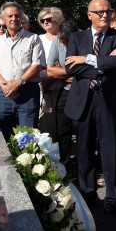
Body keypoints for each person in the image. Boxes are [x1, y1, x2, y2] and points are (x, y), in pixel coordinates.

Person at [64, 0, 116, 220]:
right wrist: (103, 63)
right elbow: (70, 69)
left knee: (111, 151)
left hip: (109, 102)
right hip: (83, 101)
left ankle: (112, 199)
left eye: (108, 11)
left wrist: (87, 59)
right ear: (89, 15)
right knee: (83, 150)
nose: (105, 15)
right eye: (100, 12)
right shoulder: (77, 37)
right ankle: (87, 194)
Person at [0, 2, 45, 139]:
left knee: (28, 135)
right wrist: (6, 87)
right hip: (3, 93)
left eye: (17, 16)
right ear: (3, 19)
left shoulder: (33, 38)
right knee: (4, 135)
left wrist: (17, 83)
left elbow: (37, 66)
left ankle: (26, 160)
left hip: (27, 92)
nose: (14, 19)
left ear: (22, 18)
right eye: (10, 16)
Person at [46, 20, 78, 172]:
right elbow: (50, 70)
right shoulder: (57, 41)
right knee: (62, 132)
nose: (66, 47)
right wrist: (73, 73)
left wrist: (63, 72)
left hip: (82, 92)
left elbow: (90, 69)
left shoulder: (84, 39)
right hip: (64, 92)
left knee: (83, 131)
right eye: (65, 43)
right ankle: (63, 167)